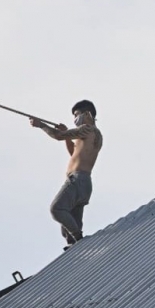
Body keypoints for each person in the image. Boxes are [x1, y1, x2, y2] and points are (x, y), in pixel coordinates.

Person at [29, 100, 104, 247]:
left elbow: (57, 135)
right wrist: (68, 136)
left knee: (57, 209)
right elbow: (74, 153)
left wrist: (41, 125)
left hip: (77, 180)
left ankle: (78, 238)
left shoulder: (87, 129)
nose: (75, 119)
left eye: (77, 115)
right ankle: (75, 245)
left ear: (87, 114)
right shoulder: (95, 135)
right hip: (84, 183)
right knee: (69, 227)